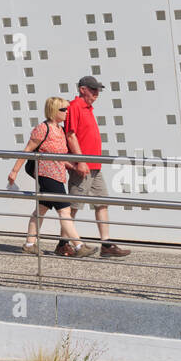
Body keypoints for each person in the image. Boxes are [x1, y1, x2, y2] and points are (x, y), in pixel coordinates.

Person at [7, 97, 95, 258]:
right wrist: (14, 172)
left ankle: (29, 244)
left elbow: (60, 157)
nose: (67, 112)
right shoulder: (43, 129)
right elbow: (27, 150)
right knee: (65, 211)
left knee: (40, 210)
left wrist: (75, 167)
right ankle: (79, 246)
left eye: (67, 109)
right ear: (54, 111)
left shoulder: (60, 130)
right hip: (46, 175)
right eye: (63, 110)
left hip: (58, 175)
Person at [64, 76, 130, 258]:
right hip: (83, 166)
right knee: (73, 206)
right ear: (82, 89)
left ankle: (106, 244)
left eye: (98, 90)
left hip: (94, 166)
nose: (96, 93)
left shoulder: (88, 108)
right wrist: (81, 160)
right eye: (93, 90)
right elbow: (70, 135)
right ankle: (63, 244)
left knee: (102, 202)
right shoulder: (75, 106)